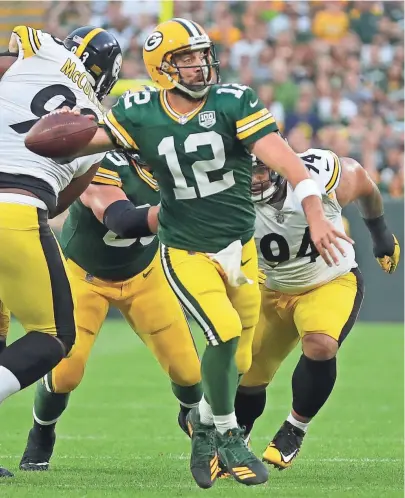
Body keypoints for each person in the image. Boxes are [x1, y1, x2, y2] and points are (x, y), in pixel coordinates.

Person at [40, 18, 352, 489]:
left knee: (241, 361)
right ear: (162, 68)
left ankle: (205, 424)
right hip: (185, 248)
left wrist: (315, 212)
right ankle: (226, 434)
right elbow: (82, 144)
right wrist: (41, 136)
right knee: (222, 333)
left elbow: (287, 161)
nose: (199, 64)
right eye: (186, 57)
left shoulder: (235, 101)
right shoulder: (138, 110)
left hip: (239, 249)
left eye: (201, 54)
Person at [18, 151, 203, 471]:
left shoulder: (184, 166)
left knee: (189, 373)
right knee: (65, 373)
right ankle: (42, 431)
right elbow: (120, 219)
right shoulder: (103, 163)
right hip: (84, 277)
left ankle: (195, 422)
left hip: (146, 276)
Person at [0, 25, 121, 477]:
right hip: (15, 207)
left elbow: (7, 59)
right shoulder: (95, 126)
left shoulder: (43, 48)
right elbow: (60, 204)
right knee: (53, 337)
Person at [234, 150, 400, 470]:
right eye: (247, 171)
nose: (254, 180)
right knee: (249, 374)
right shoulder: (227, 194)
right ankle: (237, 436)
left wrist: (380, 234)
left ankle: (295, 428)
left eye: (261, 171)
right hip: (270, 287)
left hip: (328, 281)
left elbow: (362, 180)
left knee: (321, 343)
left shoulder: (318, 176)